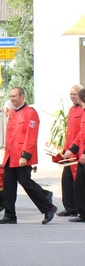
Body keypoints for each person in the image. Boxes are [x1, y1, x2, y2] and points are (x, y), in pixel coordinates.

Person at [0, 87, 57, 225]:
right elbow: (10, 136)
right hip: (11, 156)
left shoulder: (30, 113)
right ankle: (10, 215)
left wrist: (25, 155)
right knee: (8, 186)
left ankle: (48, 207)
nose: (12, 99)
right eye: (11, 96)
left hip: (22, 156)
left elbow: (31, 136)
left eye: (14, 96)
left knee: (26, 183)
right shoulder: (13, 113)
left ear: (22, 96)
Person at [58, 85, 82, 217]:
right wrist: (64, 148)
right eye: (71, 94)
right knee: (66, 179)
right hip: (70, 150)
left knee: (76, 181)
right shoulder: (71, 110)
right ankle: (70, 207)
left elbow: (80, 133)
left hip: (77, 151)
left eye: (75, 94)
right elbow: (69, 132)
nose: (73, 96)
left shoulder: (82, 111)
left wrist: (72, 149)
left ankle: (77, 208)